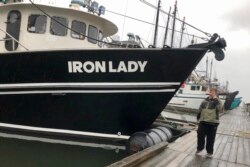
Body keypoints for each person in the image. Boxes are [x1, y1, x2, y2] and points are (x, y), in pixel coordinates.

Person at [196, 87, 221, 158]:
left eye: (212, 92)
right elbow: (200, 109)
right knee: (200, 134)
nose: (211, 93)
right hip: (203, 121)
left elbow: (220, 109)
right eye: (210, 91)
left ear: (215, 93)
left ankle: (209, 152)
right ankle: (200, 148)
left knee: (210, 138)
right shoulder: (204, 100)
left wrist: (215, 99)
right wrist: (198, 116)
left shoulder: (218, 101)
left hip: (213, 123)